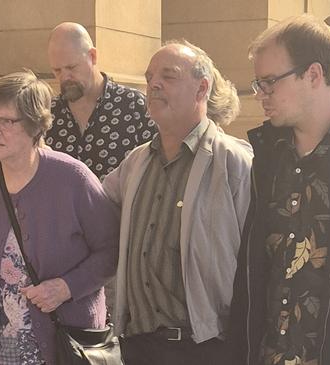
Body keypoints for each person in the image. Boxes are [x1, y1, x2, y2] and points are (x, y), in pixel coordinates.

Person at [0, 70, 119, 364]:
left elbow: (112, 249)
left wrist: (67, 287)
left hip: (63, 347)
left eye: (6, 121)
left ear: (35, 126)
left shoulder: (74, 179)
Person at [229, 15, 330, 365]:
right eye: (257, 84)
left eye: (269, 82)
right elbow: (253, 274)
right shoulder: (268, 155)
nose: (260, 96)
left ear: (314, 74)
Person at [102, 40, 252, 365]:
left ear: (201, 89)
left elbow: (256, 265)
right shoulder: (136, 162)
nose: (153, 84)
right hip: (137, 347)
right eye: (150, 77)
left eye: (168, 76)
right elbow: (90, 211)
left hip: (205, 349)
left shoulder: (235, 163)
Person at [45, 22, 156, 181]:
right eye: (57, 70)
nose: (65, 77)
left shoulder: (134, 107)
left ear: (93, 56)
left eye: (72, 67)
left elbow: (159, 169)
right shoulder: (47, 115)